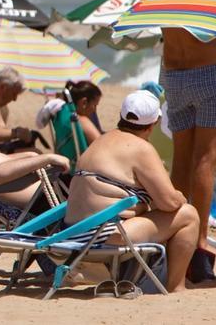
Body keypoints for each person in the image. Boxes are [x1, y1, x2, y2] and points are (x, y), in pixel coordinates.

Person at [64, 90, 199, 293]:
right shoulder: (140, 148)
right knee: (188, 214)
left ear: (122, 115)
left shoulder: (100, 140)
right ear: (153, 124)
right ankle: (176, 286)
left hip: (72, 232)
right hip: (104, 235)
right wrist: (178, 196)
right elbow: (169, 203)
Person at [155, 0, 216, 280]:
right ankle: (198, 242)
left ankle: (175, 235)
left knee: (181, 162)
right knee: (206, 161)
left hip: (175, 78)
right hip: (208, 76)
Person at [66, 80, 104, 144]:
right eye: (95, 105)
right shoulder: (82, 121)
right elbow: (102, 146)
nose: (94, 110)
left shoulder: (65, 115)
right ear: (84, 102)